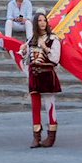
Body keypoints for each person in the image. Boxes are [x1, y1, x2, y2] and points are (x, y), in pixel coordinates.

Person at [25, 8, 62, 148]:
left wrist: (45, 48)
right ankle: (36, 136)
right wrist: (24, 53)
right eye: (39, 20)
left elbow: (55, 59)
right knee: (35, 107)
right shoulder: (31, 40)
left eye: (44, 20)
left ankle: (51, 134)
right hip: (34, 76)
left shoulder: (53, 39)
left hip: (47, 75)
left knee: (49, 105)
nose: (42, 23)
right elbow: (27, 59)